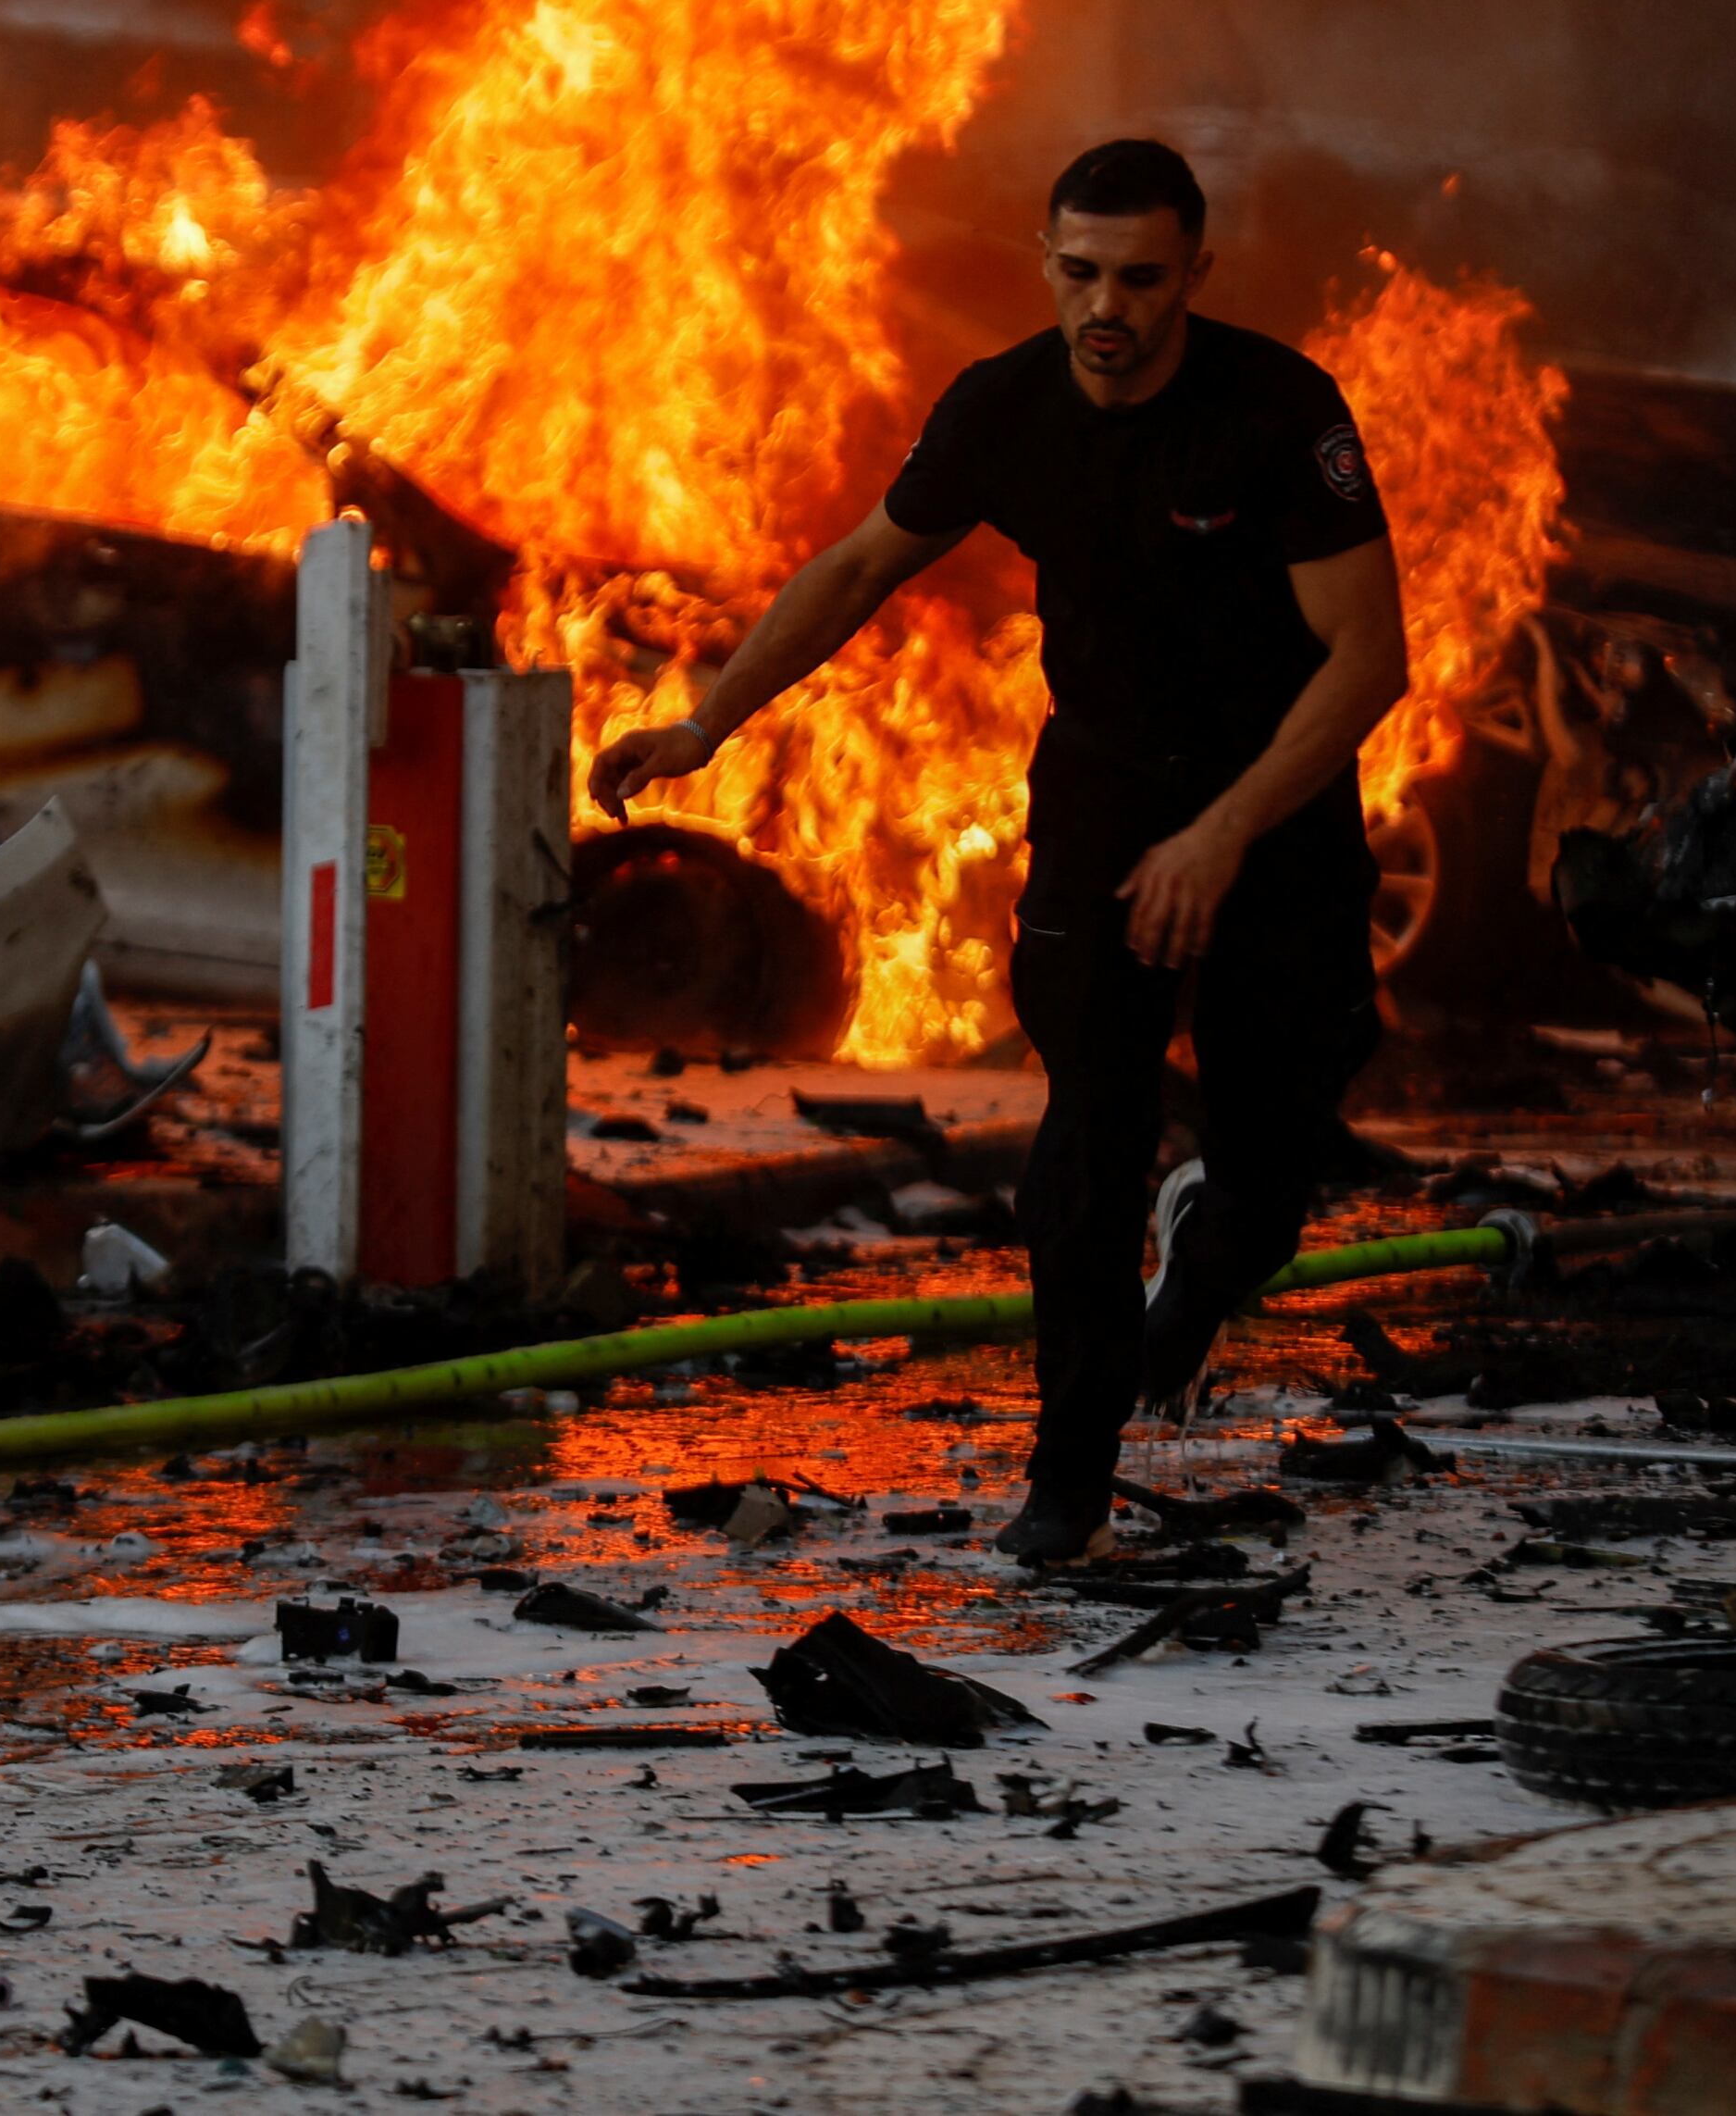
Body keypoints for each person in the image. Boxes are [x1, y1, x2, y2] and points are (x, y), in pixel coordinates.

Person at [589, 137, 1409, 1564]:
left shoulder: (1277, 412)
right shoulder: (1004, 406)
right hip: (1101, 796)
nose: (1110, 305)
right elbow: (856, 565)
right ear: (1047, 262)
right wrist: (708, 721)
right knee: (1086, 1135)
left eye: (1143, 278)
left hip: (1271, 814)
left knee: (1276, 1164)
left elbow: (1368, 661)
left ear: (1193, 276)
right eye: (1081, 272)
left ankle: (1208, 1259)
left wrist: (1222, 835)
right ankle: (1068, 1479)